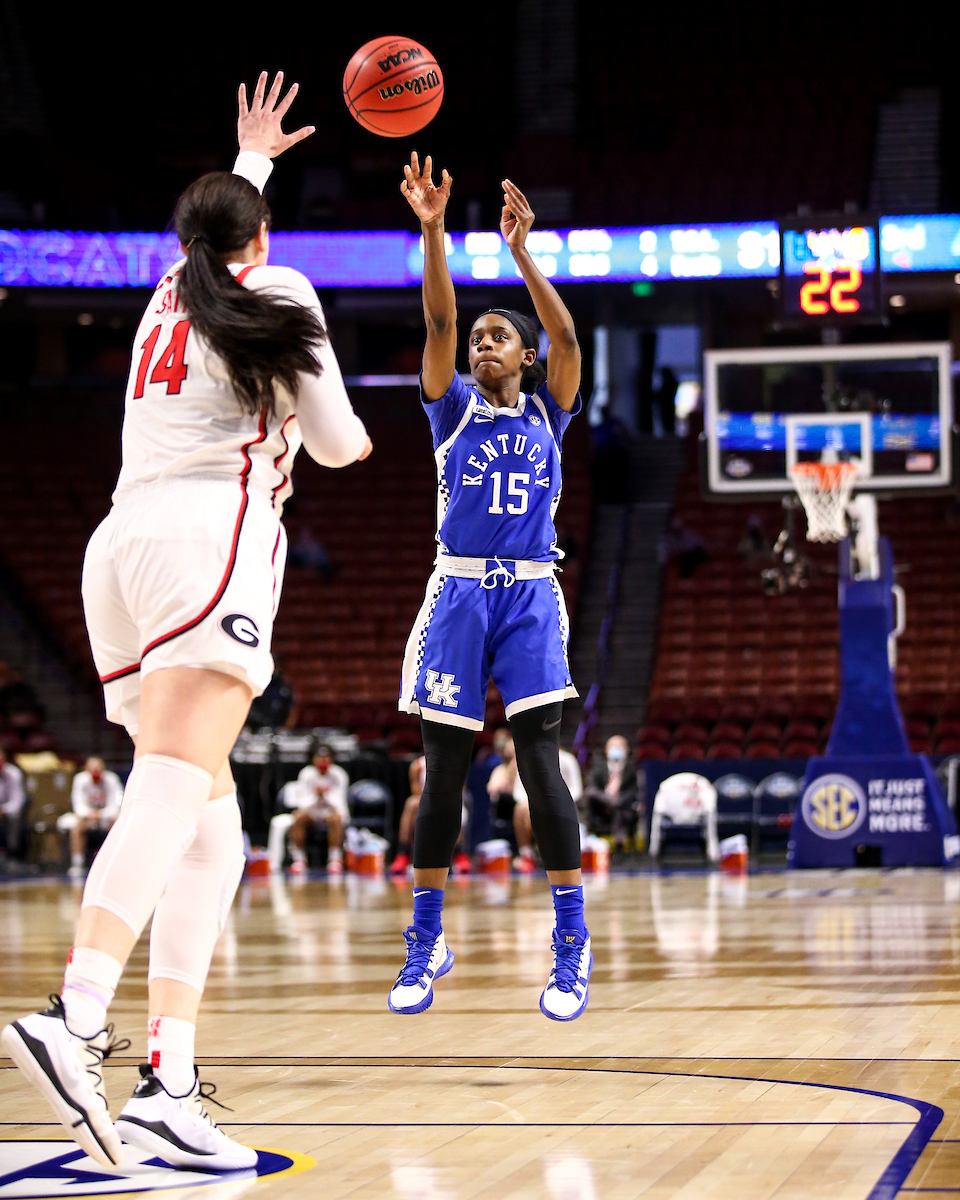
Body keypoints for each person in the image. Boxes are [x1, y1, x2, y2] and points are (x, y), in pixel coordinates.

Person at [1, 73, 370, 1173]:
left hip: (119, 552)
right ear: (266, 235)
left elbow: (216, 230)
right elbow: (344, 444)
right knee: (173, 786)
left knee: (217, 827)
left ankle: (166, 1082)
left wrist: (250, 159)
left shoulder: (173, 290)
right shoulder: (282, 288)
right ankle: (74, 1019)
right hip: (211, 537)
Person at [390, 153, 590, 1022]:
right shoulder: (451, 407)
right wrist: (434, 230)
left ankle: (572, 942)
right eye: (478, 340)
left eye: (496, 337)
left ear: (523, 357)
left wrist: (522, 254)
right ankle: (426, 936)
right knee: (443, 774)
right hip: (461, 592)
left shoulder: (551, 408)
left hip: (532, 594)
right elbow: (438, 314)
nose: (481, 345)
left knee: (540, 765)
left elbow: (571, 341)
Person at [392, 757, 471, 877]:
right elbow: (416, 791)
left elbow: (460, 789)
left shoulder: (455, 764)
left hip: (447, 801)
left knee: (455, 803)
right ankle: (403, 853)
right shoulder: (417, 766)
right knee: (411, 803)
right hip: (426, 803)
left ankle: (459, 854)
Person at [286, 745, 349, 875]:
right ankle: (299, 860)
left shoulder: (339, 774)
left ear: (332, 759)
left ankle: (335, 860)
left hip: (330, 810)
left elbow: (340, 803)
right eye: (319, 757)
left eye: (326, 757)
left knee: (336, 818)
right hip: (312, 811)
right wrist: (316, 795)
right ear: (313, 759)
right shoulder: (306, 774)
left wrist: (325, 795)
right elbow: (302, 803)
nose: (322, 761)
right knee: (297, 817)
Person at [60, 757, 124, 879]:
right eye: (93, 769)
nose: (96, 772)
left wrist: (101, 814)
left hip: (105, 818)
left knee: (118, 823)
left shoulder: (111, 779)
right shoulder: (80, 779)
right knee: (77, 827)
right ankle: (77, 863)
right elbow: (78, 804)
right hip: (87, 818)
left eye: (99, 769)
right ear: (86, 769)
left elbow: (117, 804)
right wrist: (90, 814)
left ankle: (116, 861)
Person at [584, 735, 639, 850]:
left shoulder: (631, 770)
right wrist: (608, 800)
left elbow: (632, 792)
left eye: (620, 747)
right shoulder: (598, 768)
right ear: (606, 750)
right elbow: (592, 789)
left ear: (627, 750)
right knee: (589, 795)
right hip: (602, 806)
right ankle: (589, 835)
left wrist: (617, 801)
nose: (616, 750)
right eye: (613, 747)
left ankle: (619, 843)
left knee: (619, 806)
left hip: (622, 809)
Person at [0, 747, 26, 865]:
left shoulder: (14, 773)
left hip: (7, 812)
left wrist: (4, 810)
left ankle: (12, 853)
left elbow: (18, 800)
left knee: (15, 818)